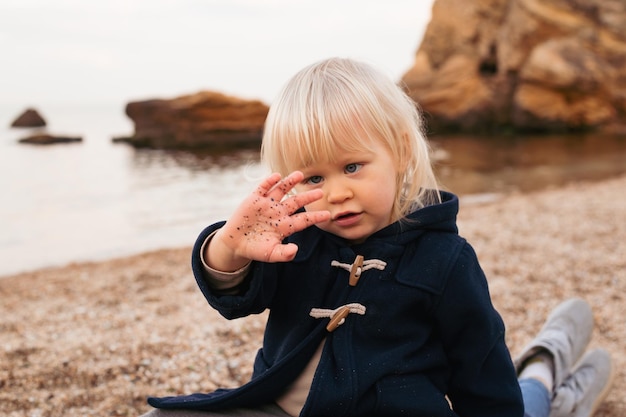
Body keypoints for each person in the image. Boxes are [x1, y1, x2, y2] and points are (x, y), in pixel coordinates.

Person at [141, 58, 613, 417]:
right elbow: (235, 299)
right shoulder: (297, 239)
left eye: (352, 167)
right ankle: (544, 367)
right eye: (313, 178)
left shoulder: (444, 259)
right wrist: (228, 246)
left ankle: (543, 373)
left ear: (401, 153)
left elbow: (480, 367)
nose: (337, 193)